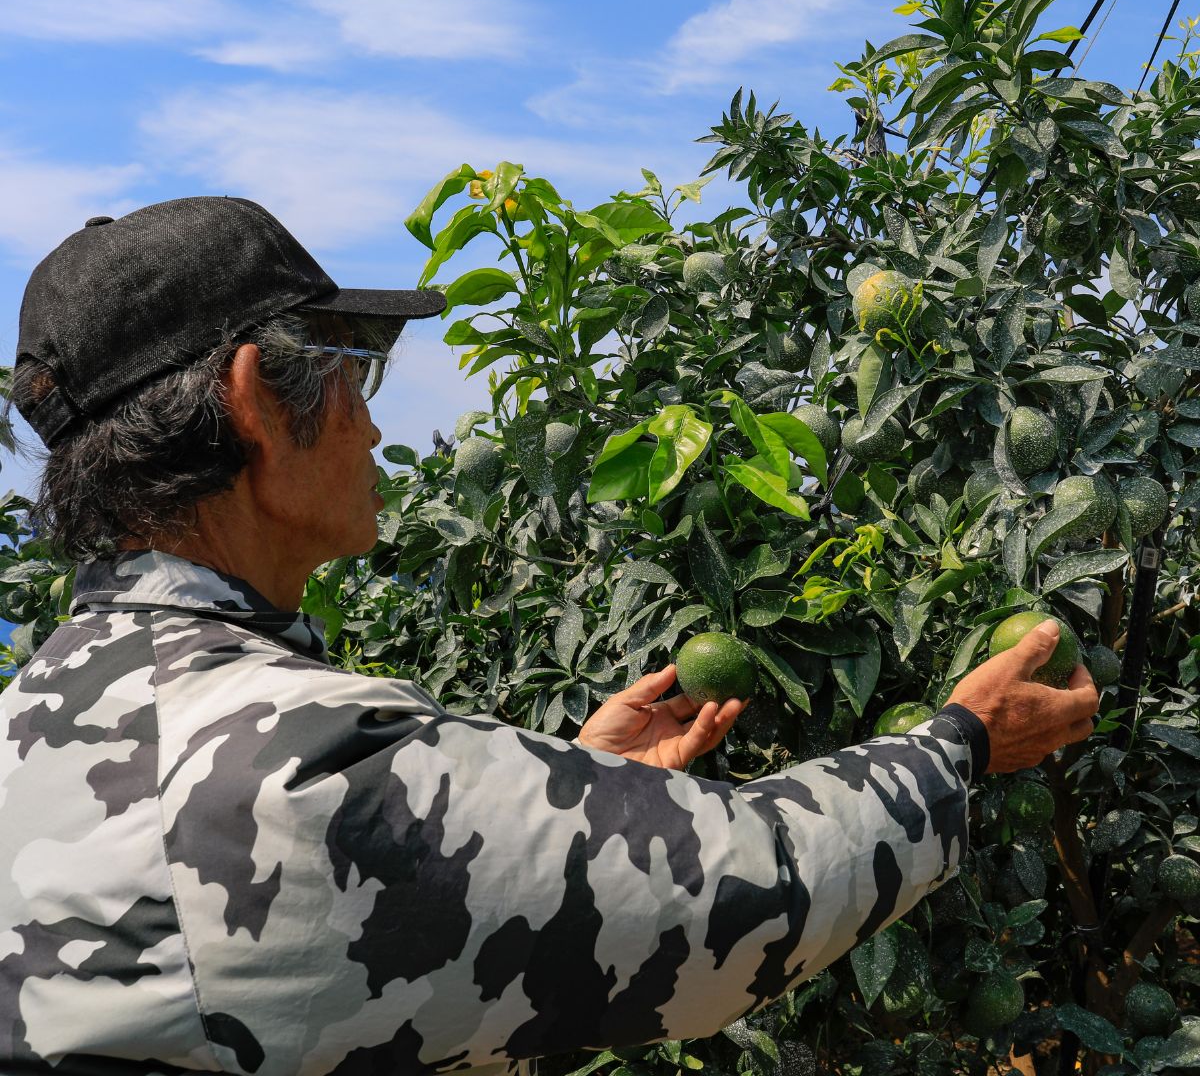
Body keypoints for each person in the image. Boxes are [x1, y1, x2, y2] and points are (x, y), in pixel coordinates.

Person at [0, 197, 1099, 1075]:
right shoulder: (292, 760)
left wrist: (576, 785)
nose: (378, 422)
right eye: (355, 371)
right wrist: (958, 742)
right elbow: (745, 893)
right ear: (254, 399)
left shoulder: (36, 716)